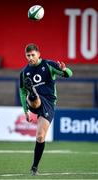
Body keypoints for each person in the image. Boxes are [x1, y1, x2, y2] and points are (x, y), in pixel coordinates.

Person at [19, 43, 73, 175]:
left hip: (49, 102)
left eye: (33, 55)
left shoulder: (48, 65)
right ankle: (32, 93)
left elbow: (69, 74)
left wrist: (64, 70)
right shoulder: (24, 72)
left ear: (38, 54)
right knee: (34, 98)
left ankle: (34, 168)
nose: (30, 57)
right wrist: (25, 110)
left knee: (40, 136)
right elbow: (21, 92)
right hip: (35, 102)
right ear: (25, 56)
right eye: (28, 55)